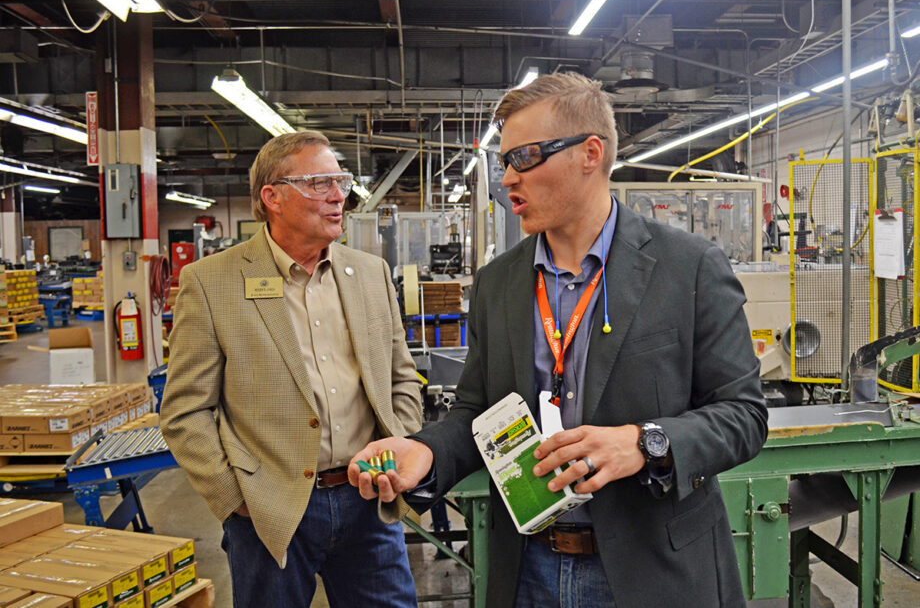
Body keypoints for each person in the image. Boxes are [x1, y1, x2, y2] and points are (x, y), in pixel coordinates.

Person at [349, 73, 768, 608]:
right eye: (504, 162)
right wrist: (424, 453)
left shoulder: (688, 267)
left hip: (652, 573)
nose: (507, 179)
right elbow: (476, 411)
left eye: (524, 158)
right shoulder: (499, 282)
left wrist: (644, 443)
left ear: (590, 153)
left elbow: (744, 415)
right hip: (530, 569)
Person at [160, 130, 423, 608]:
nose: (338, 195)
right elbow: (184, 412)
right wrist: (233, 500)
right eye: (320, 182)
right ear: (272, 197)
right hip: (269, 509)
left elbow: (401, 377)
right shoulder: (212, 282)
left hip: (368, 500)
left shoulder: (369, 273)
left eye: (340, 180)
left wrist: (399, 444)